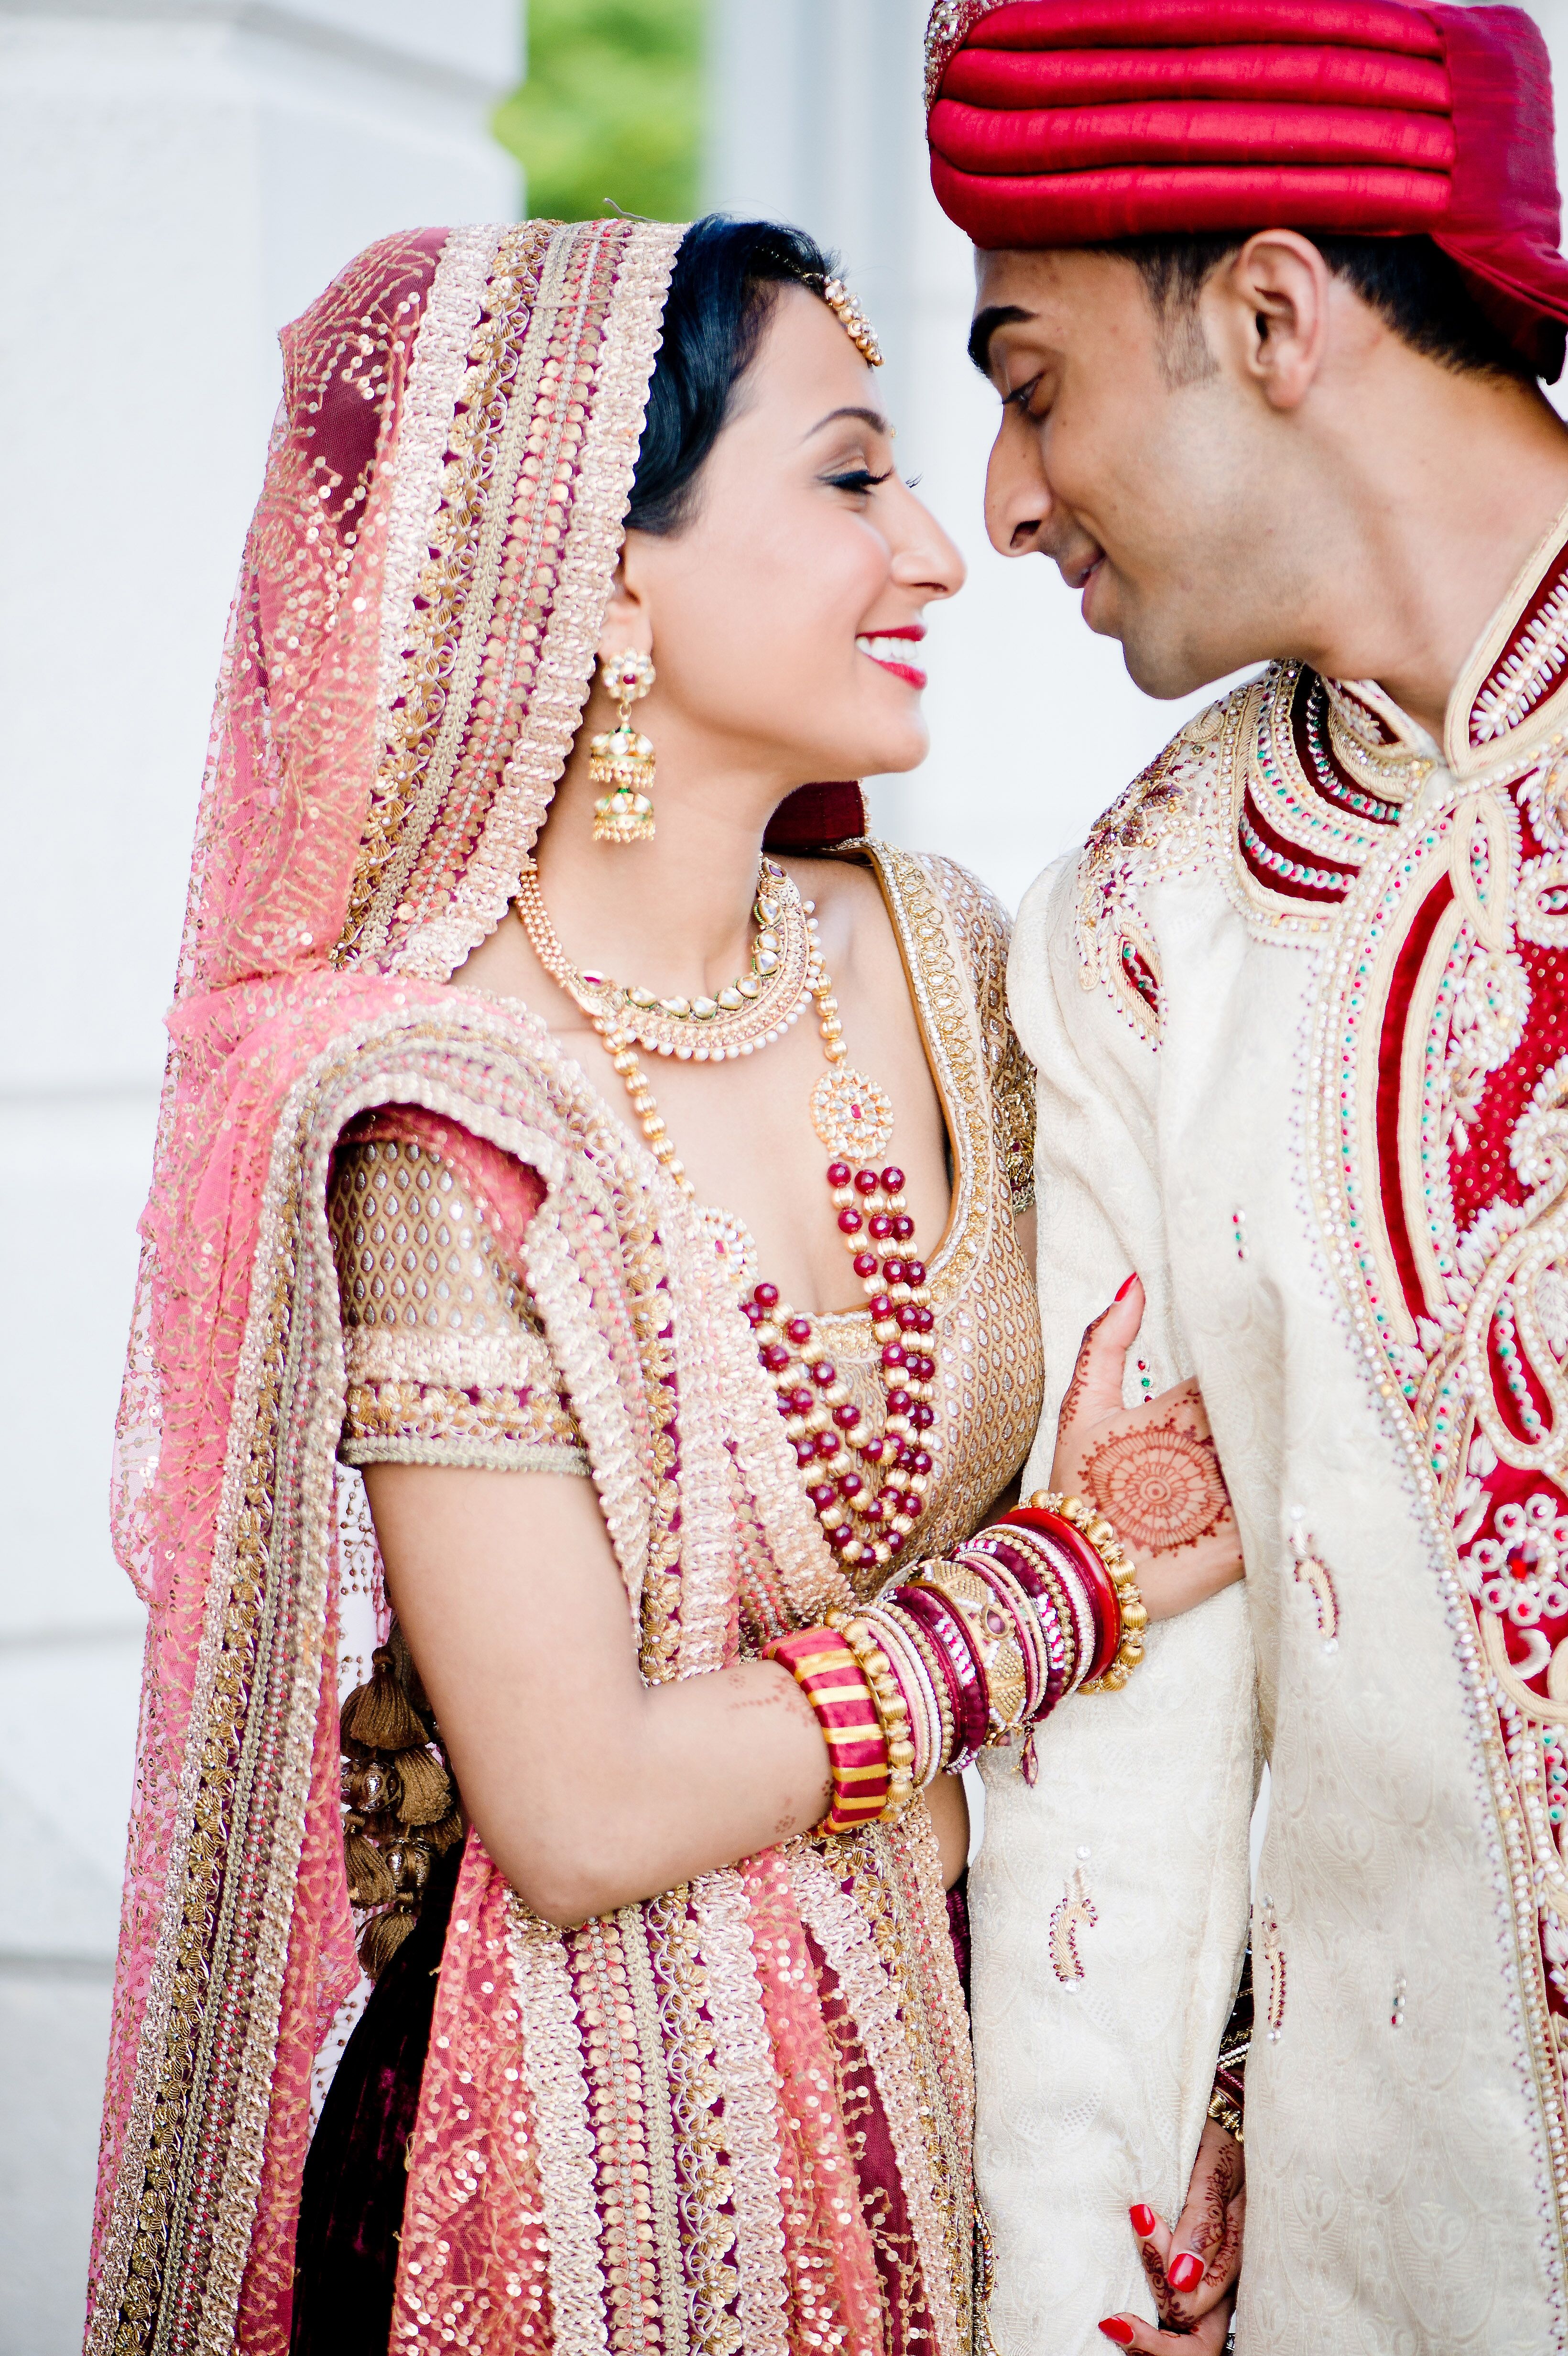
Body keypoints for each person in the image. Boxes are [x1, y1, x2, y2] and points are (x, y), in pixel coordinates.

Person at [84, 211, 1242, 2356]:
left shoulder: (952, 953)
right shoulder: (443, 1116)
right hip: (564, 2172)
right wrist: (1066, 1584)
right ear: (601, 568)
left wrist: (1183, 2092)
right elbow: (584, 1797)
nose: (938, 550)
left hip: (978, 2099)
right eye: (846, 474)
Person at [924, 0, 1568, 2350]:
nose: (1001, 501)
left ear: (1276, 316)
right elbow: (1131, 1743)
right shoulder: (1144, 926)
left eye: (1029, 378)